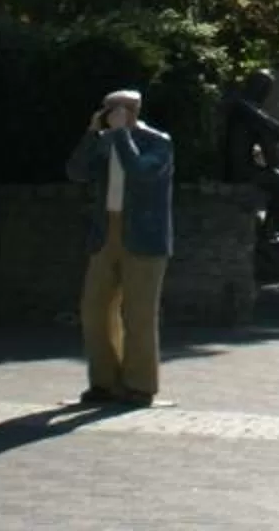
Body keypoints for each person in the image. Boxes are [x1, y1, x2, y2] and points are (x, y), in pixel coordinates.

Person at [65, 88, 173, 406]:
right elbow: (76, 172)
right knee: (93, 309)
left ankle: (140, 385)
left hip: (144, 235)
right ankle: (104, 382)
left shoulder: (158, 142)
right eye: (109, 108)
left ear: (134, 110)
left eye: (119, 109)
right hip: (106, 232)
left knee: (139, 313)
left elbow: (141, 173)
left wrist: (122, 135)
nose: (112, 114)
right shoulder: (104, 141)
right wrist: (91, 133)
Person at [219, 68, 279, 241]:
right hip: (239, 169)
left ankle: (272, 226)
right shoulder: (245, 108)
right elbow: (267, 128)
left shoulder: (241, 105)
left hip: (237, 166)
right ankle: (276, 228)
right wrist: (272, 160)